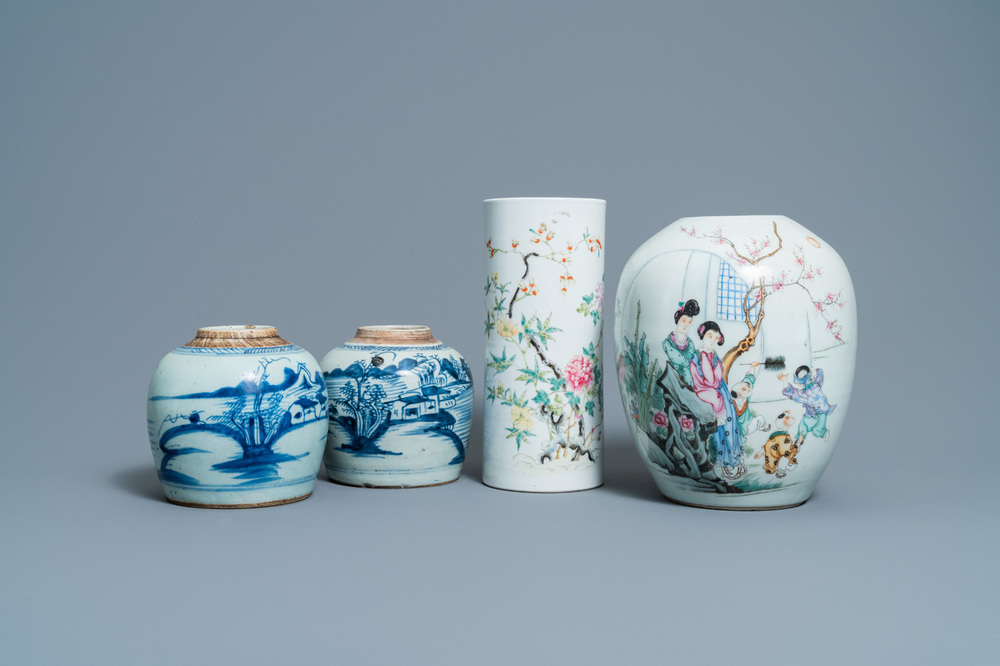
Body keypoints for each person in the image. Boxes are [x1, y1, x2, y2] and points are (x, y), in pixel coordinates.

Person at [689, 321, 744, 480]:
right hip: (705, 391)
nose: (712, 339)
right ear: (703, 336)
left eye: (715, 337)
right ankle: (726, 464)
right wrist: (714, 380)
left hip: (721, 392)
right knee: (720, 430)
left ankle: (733, 460)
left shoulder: (713, 355)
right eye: (709, 336)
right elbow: (711, 380)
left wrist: (716, 380)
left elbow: (717, 378)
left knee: (730, 424)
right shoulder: (700, 355)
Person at [778, 365, 836, 446]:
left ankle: (824, 432)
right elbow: (820, 374)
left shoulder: (806, 394)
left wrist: (785, 382)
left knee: (817, 431)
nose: (798, 384)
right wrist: (813, 372)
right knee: (803, 425)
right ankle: (800, 440)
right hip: (811, 414)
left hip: (821, 413)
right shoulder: (814, 385)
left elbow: (794, 394)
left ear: (800, 383)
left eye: (798, 382)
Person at [663, 299, 700, 388]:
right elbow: (680, 359)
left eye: (689, 322)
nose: (686, 324)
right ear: (678, 319)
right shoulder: (668, 343)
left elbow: (694, 360)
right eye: (684, 320)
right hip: (673, 378)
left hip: (689, 379)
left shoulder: (690, 343)